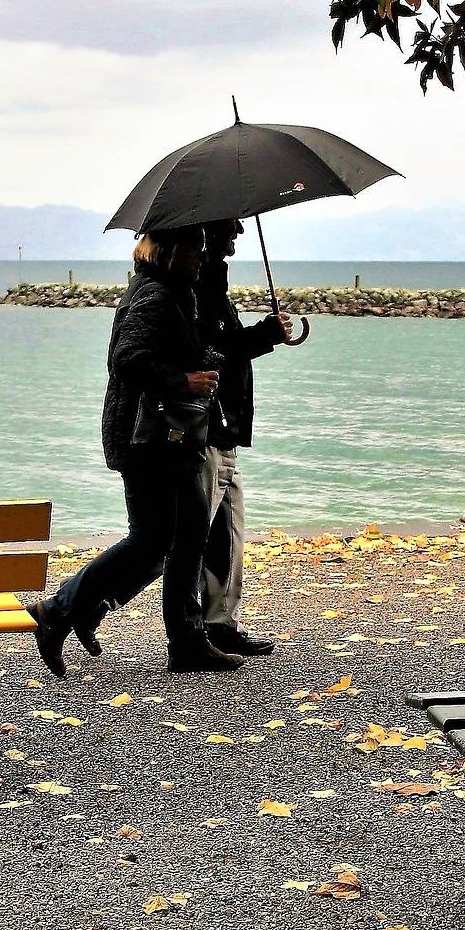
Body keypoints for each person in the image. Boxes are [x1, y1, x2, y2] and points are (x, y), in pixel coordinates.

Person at [26, 225, 246, 676]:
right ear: (172, 252)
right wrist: (181, 381)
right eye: (195, 248)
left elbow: (202, 348)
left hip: (172, 436)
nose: (202, 256)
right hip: (147, 437)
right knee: (154, 539)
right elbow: (127, 358)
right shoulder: (155, 294)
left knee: (185, 538)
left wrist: (253, 340)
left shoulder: (176, 291)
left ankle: (185, 640)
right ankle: (58, 609)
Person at [195, 220, 291, 656]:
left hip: (224, 425)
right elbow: (214, 349)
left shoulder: (210, 282)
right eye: (229, 230)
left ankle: (220, 621)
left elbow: (223, 343)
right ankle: (74, 605)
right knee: (187, 538)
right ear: (210, 235)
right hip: (212, 425)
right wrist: (265, 335)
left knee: (225, 530)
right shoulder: (201, 285)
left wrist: (263, 334)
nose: (237, 237)